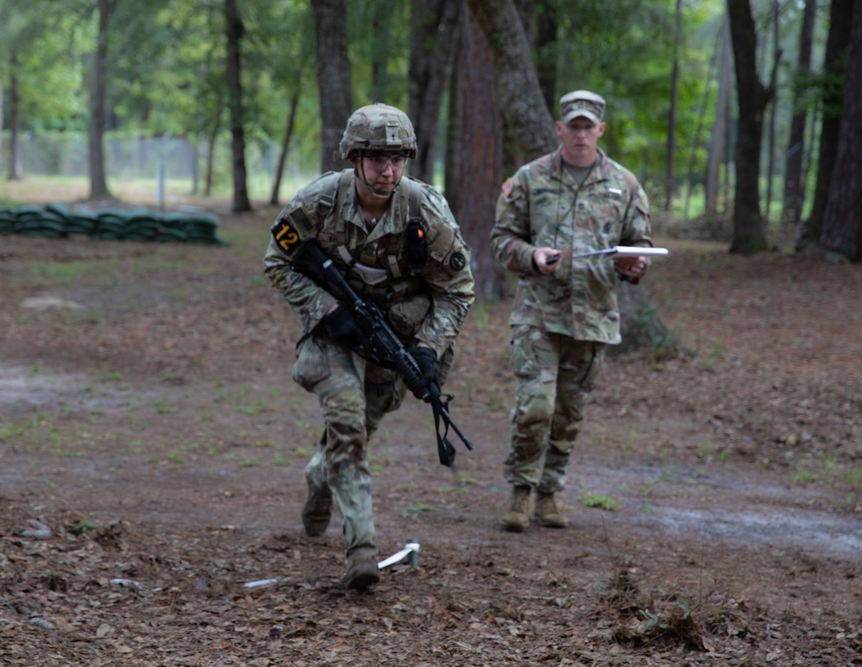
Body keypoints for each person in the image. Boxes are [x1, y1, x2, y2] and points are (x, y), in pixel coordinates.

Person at [263, 103, 475, 589]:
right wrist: (327, 311)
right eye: (377, 158)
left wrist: (426, 348)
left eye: (398, 158)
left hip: (394, 341)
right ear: (354, 158)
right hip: (334, 337)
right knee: (347, 427)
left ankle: (320, 479)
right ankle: (362, 549)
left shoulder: (425, 211)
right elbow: (278, 260)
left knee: (354, 435)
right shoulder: (319, 202)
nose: (389, 169)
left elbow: (458, 288)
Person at [490, 90, 652, 532]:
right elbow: (502, 239)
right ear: (560, 129)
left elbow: (638, 246)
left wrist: (634, 265)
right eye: (573, 126)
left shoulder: (625, 185)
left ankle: (549, 493)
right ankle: (521, 491)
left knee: (568, 413)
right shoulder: (529, 178)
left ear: (601, 130)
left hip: (594, 317)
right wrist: (532, 256)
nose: (581, 134)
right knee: (535, 406)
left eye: (589, 127)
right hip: (539, 315)